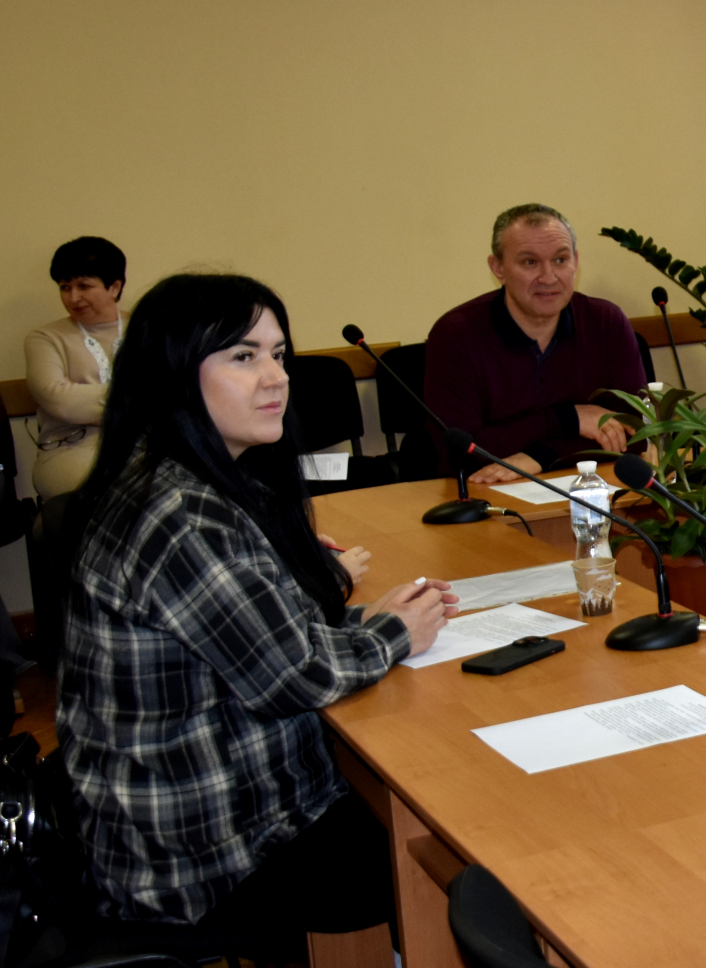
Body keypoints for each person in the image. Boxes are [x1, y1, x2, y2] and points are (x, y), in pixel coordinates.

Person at [59, 273, 455, 960]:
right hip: (212, 858)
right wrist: (395, 633)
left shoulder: (187, 478)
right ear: (173, 374)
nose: (275, 378)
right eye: (243, 357)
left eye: (278, 354)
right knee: (454, 840)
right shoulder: (179, 512)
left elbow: (272, 634)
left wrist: (367, 624)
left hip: (214, 822)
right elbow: (293, 677)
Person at [426, 204, 647, 483]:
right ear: (498, 268)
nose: (548, 277)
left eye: (560, 260)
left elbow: (636, 435)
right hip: (485, 492)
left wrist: (542, 456)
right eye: (530, 262)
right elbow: (461, 451)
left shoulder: (605, 322)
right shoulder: (456, 334)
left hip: (587, 487)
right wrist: (568, 419)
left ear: (576, 262)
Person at [25, 236, 129, 499]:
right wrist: (142, 399)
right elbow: (60, 402)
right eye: (65, 287)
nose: (73, 298)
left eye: (84, 286)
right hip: (70, 448)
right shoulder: (44, 338)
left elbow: (175, 391)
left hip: (143, 444)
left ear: (114, 287)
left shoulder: (148, 329)